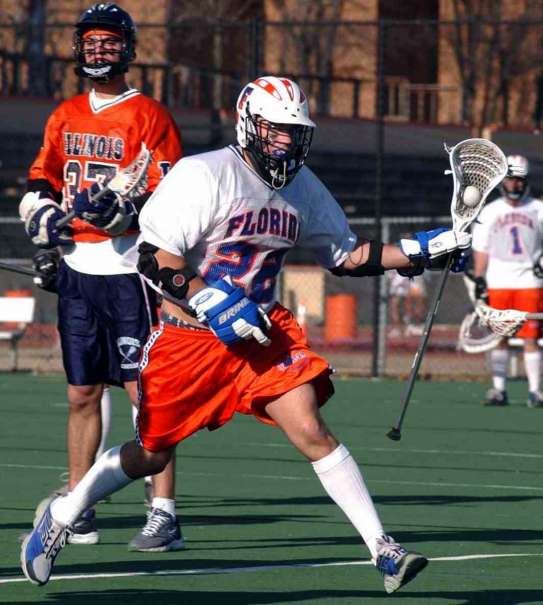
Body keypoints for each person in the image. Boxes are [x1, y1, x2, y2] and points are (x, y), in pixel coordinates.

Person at [21, 75, 471, 592]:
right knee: (151, 453)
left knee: (310, 428)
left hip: (259, 334)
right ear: (249, 124)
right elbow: (153, 257)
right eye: (275, 129)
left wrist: (417, 251)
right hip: (189, 341)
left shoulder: (303, 186)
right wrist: (207, 297)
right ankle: (63, 515)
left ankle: (383, 550)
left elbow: (347, 255)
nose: (285, 140)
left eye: (294, 131)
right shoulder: (205, 173)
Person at [18, 3, 184, 551]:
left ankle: (163, 511)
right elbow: (42, 178)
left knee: (147, 394)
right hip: (79, 269)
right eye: (90, 41)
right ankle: (79, 504)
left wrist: (128, 214)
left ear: (127, 49)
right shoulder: (65, 114)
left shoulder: (149, 115)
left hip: (129, 271)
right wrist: (42, 217)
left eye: (109, 41)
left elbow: (171, 192)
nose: (98, 50)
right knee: (81, 392)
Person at [472, 154, 543, 408]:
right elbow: (482, 248)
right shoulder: (490, 211)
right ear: (503, 180)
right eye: (511, 179)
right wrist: (479, 278)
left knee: (531, 337)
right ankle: (499, 389)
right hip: (498, 281)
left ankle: (535, 391)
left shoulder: (538, 209)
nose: (515, 184)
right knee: (499, 337)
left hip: (529, 281)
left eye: (520, 179)